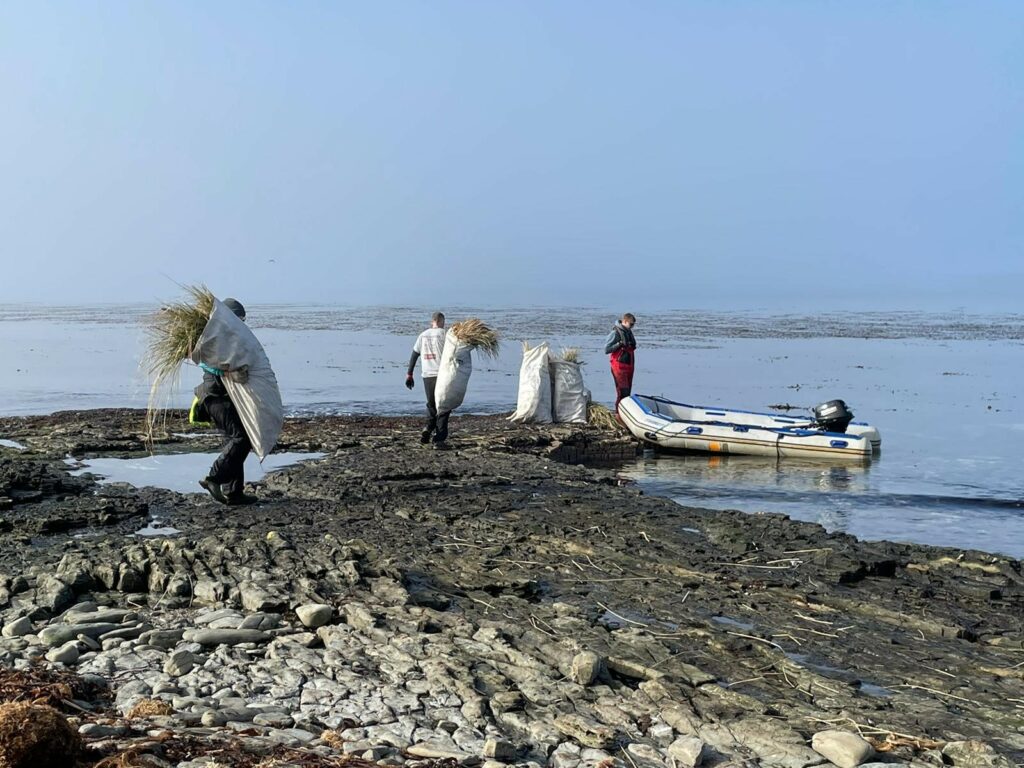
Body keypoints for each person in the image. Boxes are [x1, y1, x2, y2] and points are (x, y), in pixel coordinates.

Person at [195, 298, 257, 505]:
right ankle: (214, 479)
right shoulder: (217, 339)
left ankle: (234, 492)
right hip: (216, 398)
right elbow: (213, 365)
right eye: (239, 318)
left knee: (235, 440)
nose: (242, 322)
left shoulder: (222, 337)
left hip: (219, 397)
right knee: (242, 439)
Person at [405, 311, 449, 446]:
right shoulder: (444, 334)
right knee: (444, 406)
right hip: (441, 375)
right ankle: (439, 439)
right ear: (441, 321)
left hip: (427, 375)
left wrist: (409, 374)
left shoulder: (423, 335)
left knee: (431, 404)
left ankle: (428, 428)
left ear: (432, 321)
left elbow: (414, 355)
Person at [605, 312, 637, 411]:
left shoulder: (628, 332)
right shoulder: (615, 333)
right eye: (631, 324)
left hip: (629, 365)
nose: (632, 327)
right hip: (618, 366)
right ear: (625, 321)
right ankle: (618, 414)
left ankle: (625, 413)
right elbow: (607, 349)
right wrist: (619, 344)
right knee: (622, 392)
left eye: (633, 325)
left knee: (627, 394)